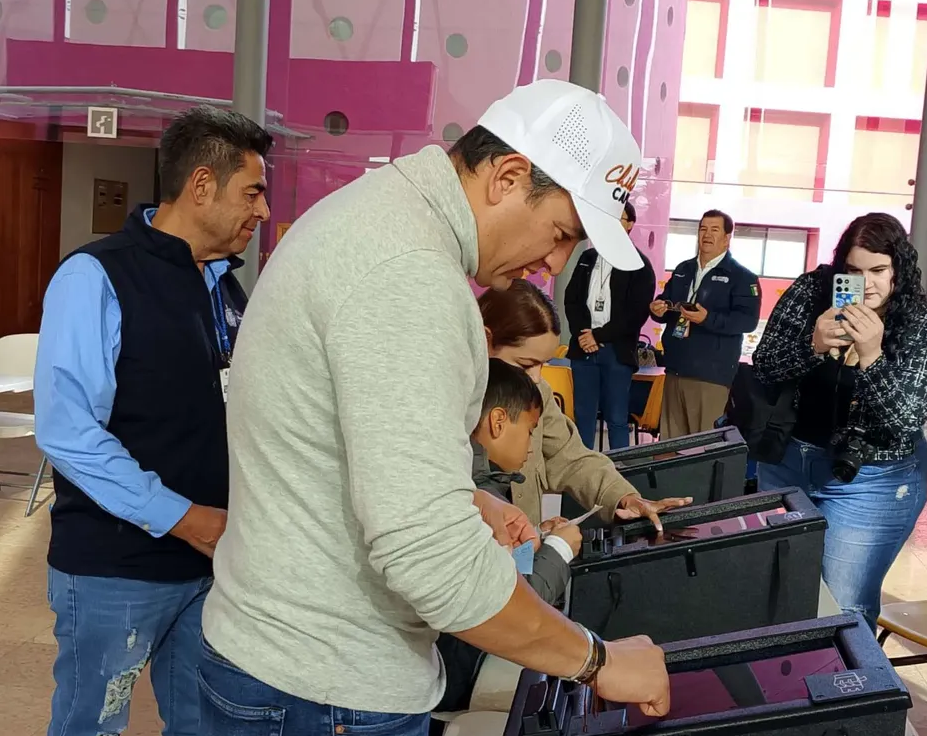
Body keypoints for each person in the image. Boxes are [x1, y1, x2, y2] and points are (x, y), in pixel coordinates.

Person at [198, 79, 670, 735]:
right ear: (508, 177)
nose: (556, 262)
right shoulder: (411, 272)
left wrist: (464, 498)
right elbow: (429, 557)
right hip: (326, 685)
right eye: (562, 233)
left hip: (278, 655)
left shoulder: (376, 216)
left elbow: (330, 441)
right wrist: (597, 660)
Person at [32, 106, 272, 736]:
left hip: (213, 563)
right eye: (252, 192)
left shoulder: (225, 287)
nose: (263, 210)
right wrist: (184, 518)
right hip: (116, 566)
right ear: (201, 185)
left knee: (203, 723)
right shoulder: (96, 276)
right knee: (92, 724)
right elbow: (68, 431)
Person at [752, 213, 927, 632]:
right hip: (788, 462)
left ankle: (847, 675)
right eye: (854, 272)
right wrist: (812, 345)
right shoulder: (811, 292)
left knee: (843, 607)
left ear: (899, 269)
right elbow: (765, 366)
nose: (866, 284)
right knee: (777, 593)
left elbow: (903, 421)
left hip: (872, 479)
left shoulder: (926, 329)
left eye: (878, 271)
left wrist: (872, 356)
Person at [479, 279, 692, 531]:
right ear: (486, 340)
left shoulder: (536, 392)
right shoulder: (449, 402)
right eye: (525, 364)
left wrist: (624, 497)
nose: (536, 378)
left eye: (543, 364)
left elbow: (570, 457)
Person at [435, 358, 583, 714]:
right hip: (458, 673)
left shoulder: (481, 485)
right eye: (530, 430)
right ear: (498, 421)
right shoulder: (479, 493)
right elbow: (519, 603)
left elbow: (510, 568)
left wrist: (540, 540)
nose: (532, 444)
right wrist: (560, 549)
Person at [650, 209, 761, 438]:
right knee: (670, 443)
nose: (707, 235)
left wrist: (707, 319)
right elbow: (668, 303)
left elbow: (747, 321)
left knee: (703, 445)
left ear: (727, 238)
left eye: (714, 230)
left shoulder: (742, 277)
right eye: (703, 229)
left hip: (711, 375)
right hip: (676, 368)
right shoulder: (683, 269)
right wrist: (658, 309)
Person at [565, 201, 656, 450]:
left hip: (617, 351)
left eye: (619, 218)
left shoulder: (639, 264)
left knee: (616, 417)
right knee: (582, 416)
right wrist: (583, 334)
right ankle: (581, 473)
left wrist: (599, 336)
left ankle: (619, 471)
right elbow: (571, 299)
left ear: (630, 225)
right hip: (583, 348)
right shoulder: (588, 257)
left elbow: (636, 313)